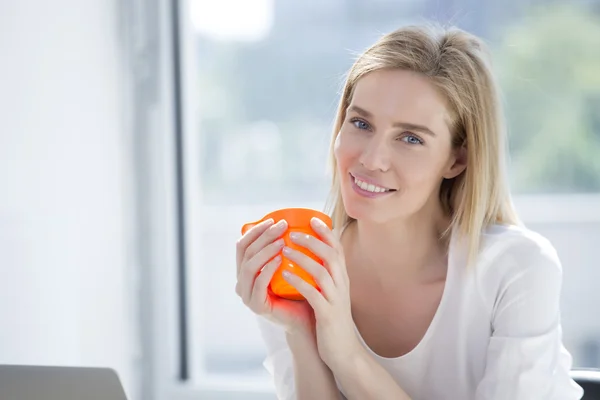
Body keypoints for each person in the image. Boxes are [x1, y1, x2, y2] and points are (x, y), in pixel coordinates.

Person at [234, 24, 584, 399]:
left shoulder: (517, 269)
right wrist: (302, 332)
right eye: (361, 123)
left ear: (457, 158)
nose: (371, 159)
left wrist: (348, 356)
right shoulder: (303, 268)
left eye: (411, 138)